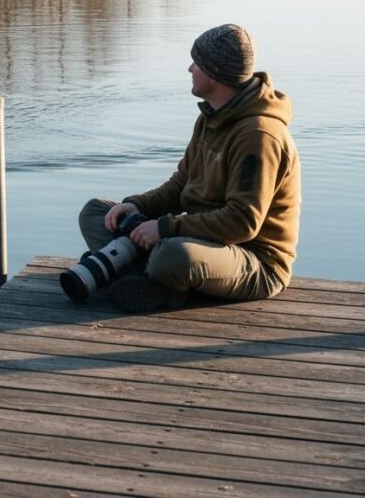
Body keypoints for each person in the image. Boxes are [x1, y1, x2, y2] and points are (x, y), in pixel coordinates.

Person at [64, 23, 301, 312]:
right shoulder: (210, 118)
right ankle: (144, 274)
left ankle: (160, 284)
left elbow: (242, 222)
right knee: (96, 213)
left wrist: (164, 228)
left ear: (216, 73)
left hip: (255, 261)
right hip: (202, 237)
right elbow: (181, 184)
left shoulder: (259, 136)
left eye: (197, 63)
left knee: (174, 256)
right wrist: (137, 206)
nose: (190, 68)